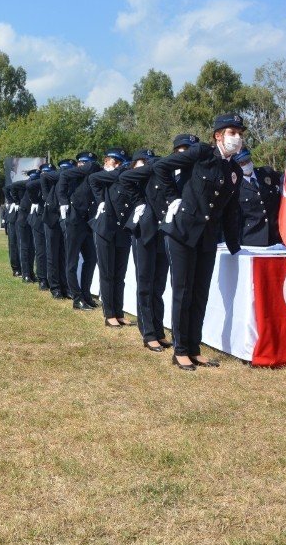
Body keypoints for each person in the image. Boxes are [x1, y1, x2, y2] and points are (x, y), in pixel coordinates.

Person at [153, 114, 244, 371]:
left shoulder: (234, 170)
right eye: (231, 132)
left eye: (239, 133)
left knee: (200, 293)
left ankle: (194, 347)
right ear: (218, 135)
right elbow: (162, 167)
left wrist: (235, 244)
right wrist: (173, 199)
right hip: (182, 231)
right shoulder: (201, 153)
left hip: (207, 237)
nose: (236, 137)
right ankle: (180, 350)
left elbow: (231, 209)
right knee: (183, 291)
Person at [119, 148, 172, 351]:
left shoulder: (160, 174)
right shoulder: (138, 176)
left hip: (162, 233)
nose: (146, 164)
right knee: (145, 284)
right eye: (141, 161)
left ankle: (158, 330)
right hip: (144, 233)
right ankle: (148, 333)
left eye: (149, 161)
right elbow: (124, 178)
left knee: (158, 286)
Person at [87, 147, 133, 328]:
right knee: (107, 273)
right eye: (106, 160)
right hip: (105, 229)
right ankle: (109, 313)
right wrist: (101, 200)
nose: (106, 162)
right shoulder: (106, 176)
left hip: (122, 230)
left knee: (119, 275)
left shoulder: (126, 175)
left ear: (118, 162)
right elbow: (92, 179)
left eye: (110, 160)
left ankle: (119, 312)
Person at [57, 152, 100, 311]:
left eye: (87, 163)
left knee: (91, 258)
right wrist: (63, 201)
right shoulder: (72, 173)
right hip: (74, 220)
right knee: (72, 261)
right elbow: (62, 179)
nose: (85, 166)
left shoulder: (93, 170)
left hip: (87, 221)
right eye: (82, 163)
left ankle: (86, 294)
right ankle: (77, 298)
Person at [233, 148, 282, 247]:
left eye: (247, 160)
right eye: (241, 163)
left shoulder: (266, 172)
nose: (246, 164)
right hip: (252, 239)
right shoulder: (236, 186)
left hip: (276, 237)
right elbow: (235, 218)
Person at [40, 160, 73, 299]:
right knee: (52, 253)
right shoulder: (58, 175)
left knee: (64, 253)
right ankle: (55, 287)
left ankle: (66, 286)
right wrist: (46, 197)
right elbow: (43, 176)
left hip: (65, 217)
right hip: (52, 216)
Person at [3, 182, 21, 276]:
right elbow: (6, 188)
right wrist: (12, 201)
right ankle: (16, 268)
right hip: (13, 217)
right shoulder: (18, 185)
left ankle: (23, 268)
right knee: (13, 244)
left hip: (23, 216)